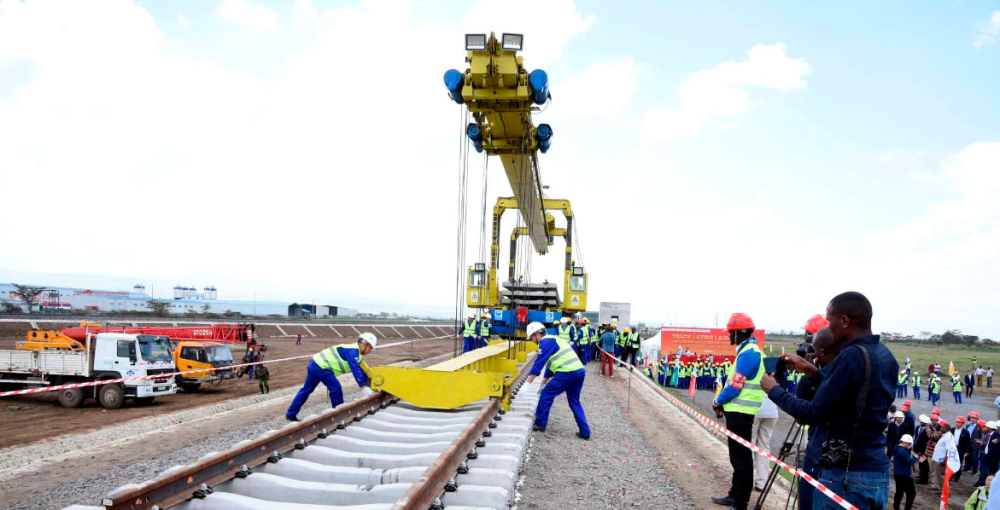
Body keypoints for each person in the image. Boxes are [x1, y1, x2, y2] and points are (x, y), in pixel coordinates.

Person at [761, 292, 897, 510]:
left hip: (846, 475)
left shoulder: (851, 355)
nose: (828, 326)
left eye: (830, 320)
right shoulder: (883, 354)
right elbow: (848, 397)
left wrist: (775, 391)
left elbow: (815, 413)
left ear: (844, 321)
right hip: (875, 470)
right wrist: (812, 371)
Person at [710, 312, 765, 510]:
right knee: (737, 456)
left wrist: (717, 400)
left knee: (741, 458)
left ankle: (740, 502)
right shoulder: (748, 351)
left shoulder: (749, 353)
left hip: (741, 412)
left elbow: (735, 386)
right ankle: (734, 495)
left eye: (730, 332)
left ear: (739, 333)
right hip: (737, 411)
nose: (728, 336)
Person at [285, 333, 375, 422]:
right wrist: (363, 387)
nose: (370, 351)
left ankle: (290, 414)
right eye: (370, 348)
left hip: (315, 363)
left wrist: (370, 385)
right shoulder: (352, 351)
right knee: (335, 387)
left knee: (306, 390)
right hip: (321, 367)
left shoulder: (356, 353)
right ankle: (339, 415)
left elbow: (361, 371)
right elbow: (355, 370)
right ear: (365, 344)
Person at [523, 321, 590, 439]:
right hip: (579, 371)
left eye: (531, 337)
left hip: (567, 373)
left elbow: (539, 364)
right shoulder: (554, 339)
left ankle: (540, 424)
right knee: (574, 401)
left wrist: (527, 384)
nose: (531, 340)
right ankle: (585, 432)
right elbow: (550, 366)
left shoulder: (546, 342)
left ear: (537, 334)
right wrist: (542, 384)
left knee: (546, 394)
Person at [752, 394, 779, 492]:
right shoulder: (772, 378)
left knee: (750, 445)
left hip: (754, 410)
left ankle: (746, 479)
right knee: (763, 447)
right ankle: (761, 483)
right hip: (771, 412)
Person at [892, 434, 918, 510]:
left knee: (899, 492)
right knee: (911, 493)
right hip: (904, 475)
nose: (909, 446)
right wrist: (915, 458)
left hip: (897, 473)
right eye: (909, 444)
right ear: (905, 443)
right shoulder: (903, 452)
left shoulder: (896, 449)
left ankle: (896, 506)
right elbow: (909, 462)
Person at [932, 420, 955, 491]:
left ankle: (943, 491)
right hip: (937, 458)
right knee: (936, 474)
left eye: (942, 428)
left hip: (941, 459)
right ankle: (937, 486)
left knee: (941, 476)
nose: (940, 429)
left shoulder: (949, 437)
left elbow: (949, 450)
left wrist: (945, 460)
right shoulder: (944, 436)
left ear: (946, 429)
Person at [915, 414, 932, 484]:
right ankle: (921, 476)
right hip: (918, 449)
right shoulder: (919, 428)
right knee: (921, 464)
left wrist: (921, 451)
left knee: (924, 465)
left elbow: (925, 442)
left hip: (923, 451)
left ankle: (924, 479)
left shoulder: (927, 431)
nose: (920, 422)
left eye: (921, 421)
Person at [958, 416, 973, 482]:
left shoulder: (965, 432)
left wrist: (967, 451)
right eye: (957, 422)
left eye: (959, 423)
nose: (958, 424)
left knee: (959, 462)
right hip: (953, 448)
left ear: (962, 423)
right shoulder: (952, 430)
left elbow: (967, 442)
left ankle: (957, 476)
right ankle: (951, 475)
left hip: (961, 449)